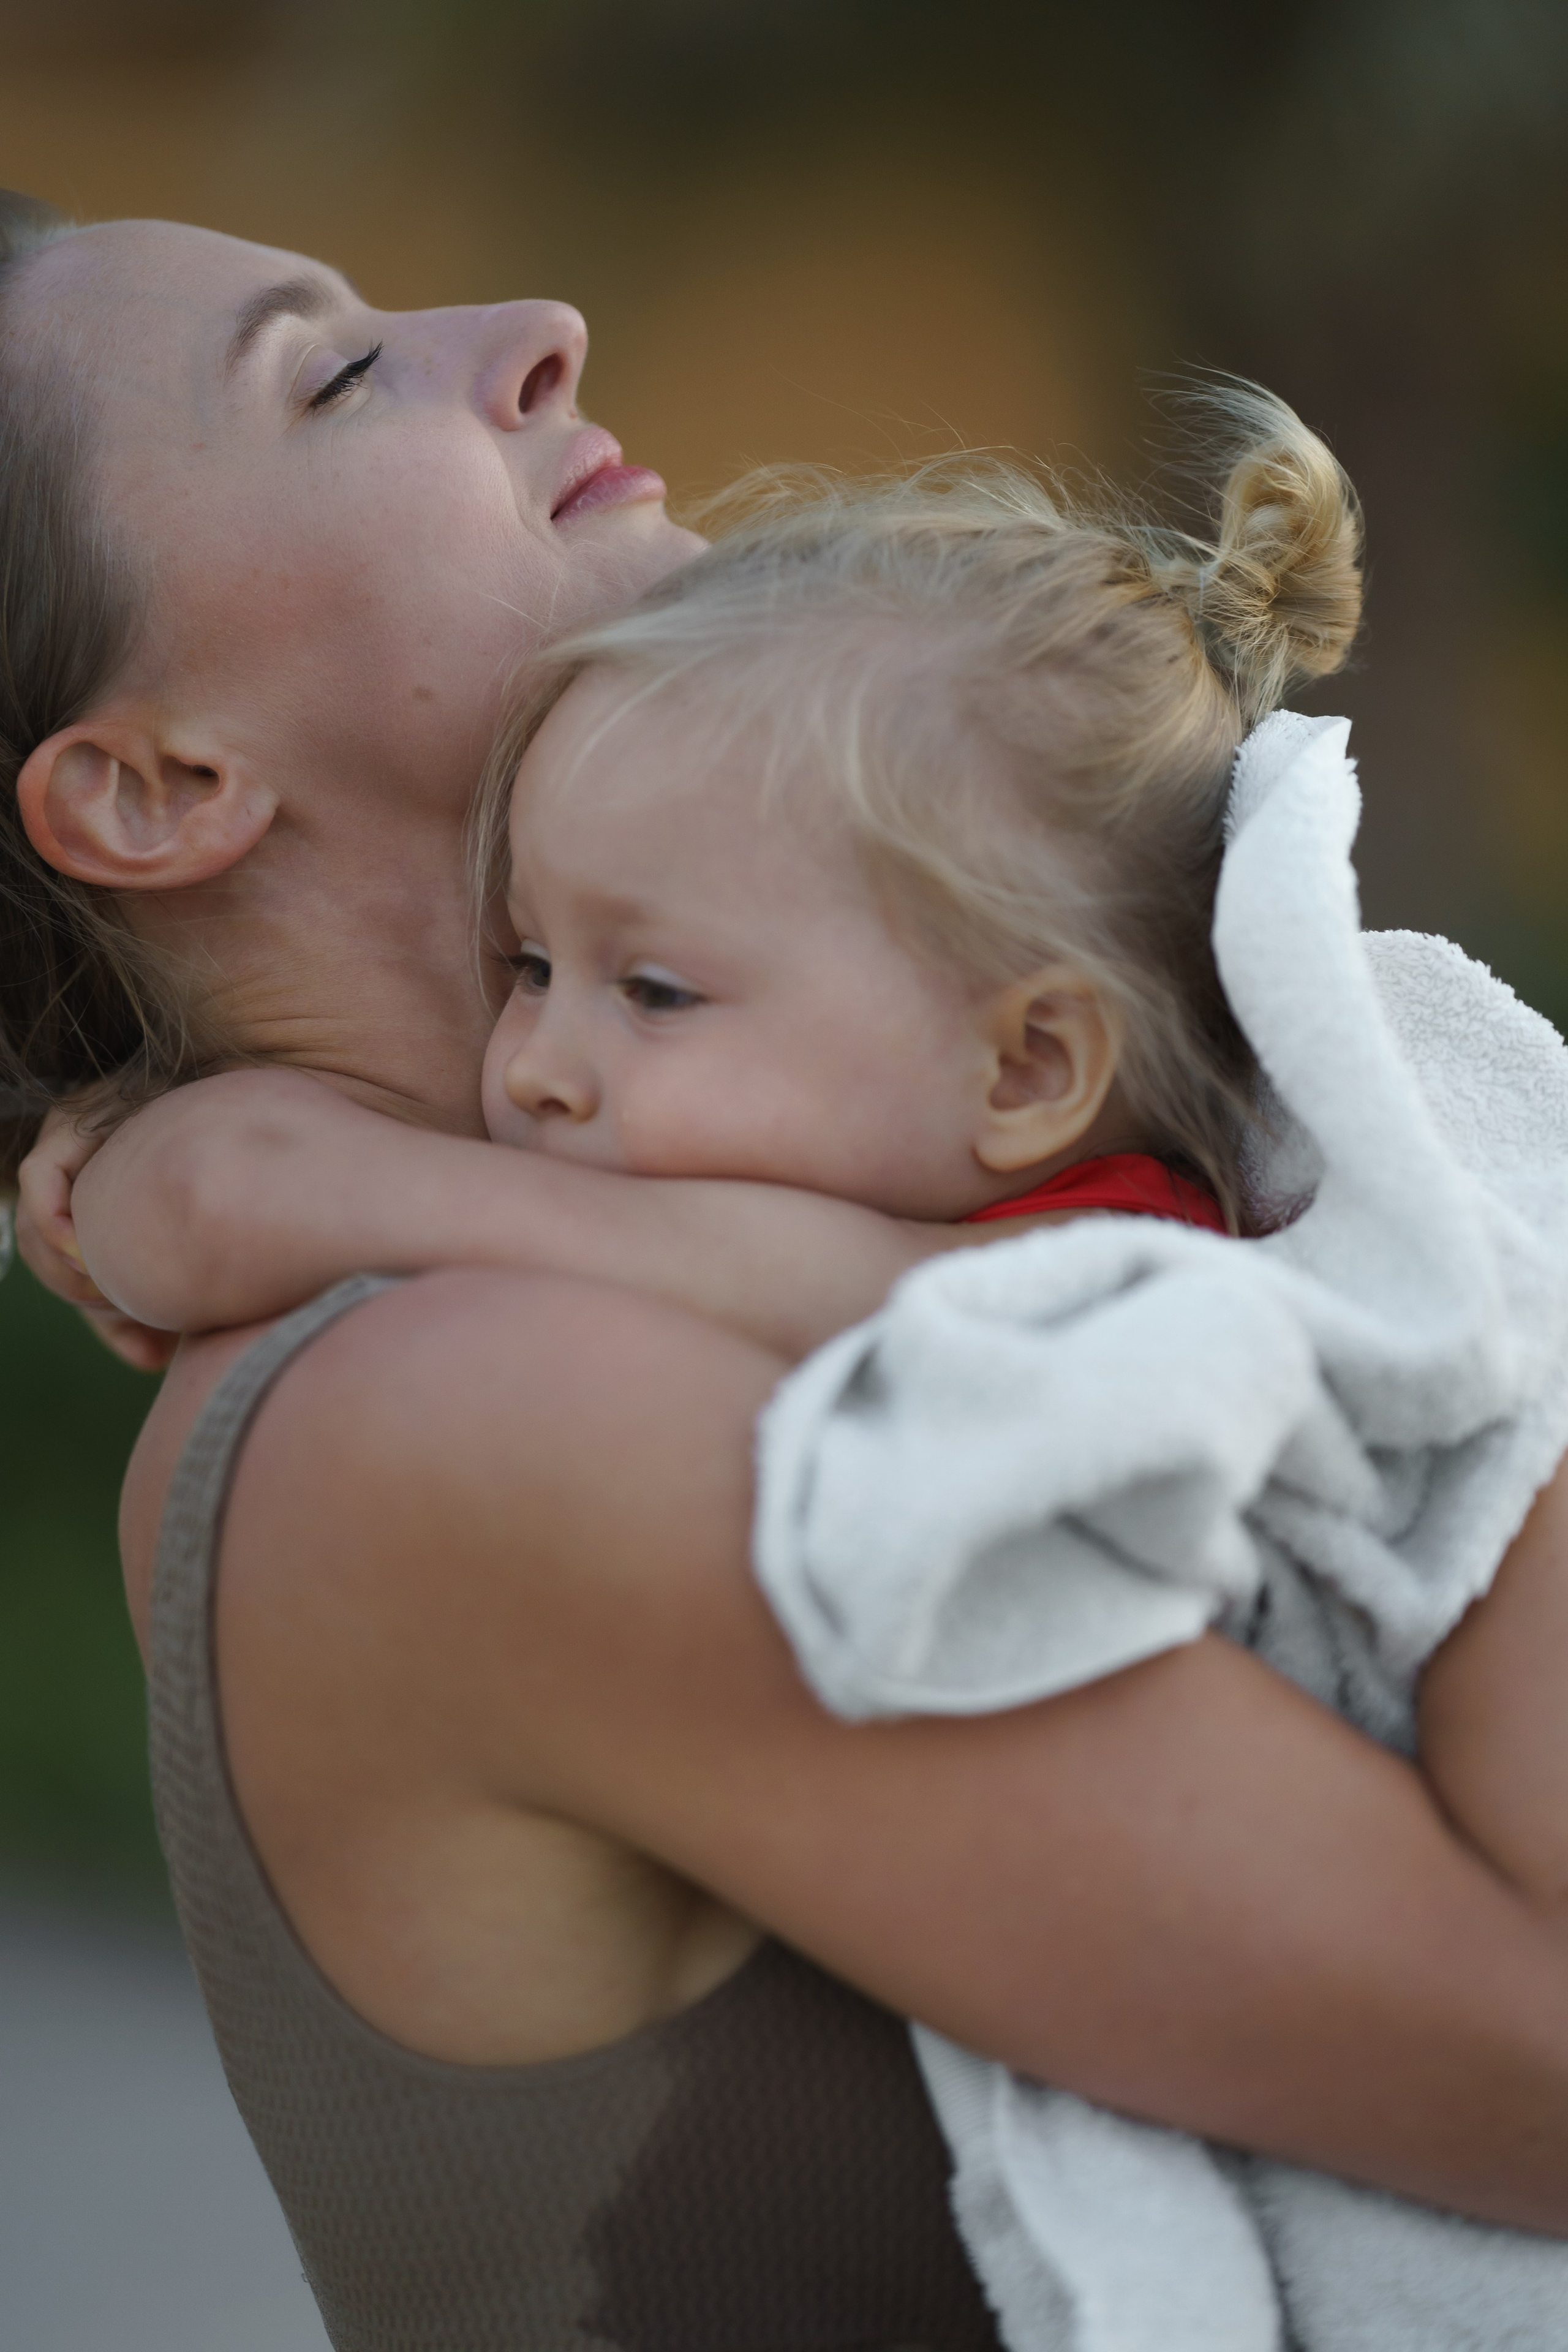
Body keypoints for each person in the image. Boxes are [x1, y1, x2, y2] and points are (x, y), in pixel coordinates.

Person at [7, 193, 1568, 2350]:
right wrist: (1456, 1287)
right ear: (160, 783)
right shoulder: (453, 1417)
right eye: (337, 373)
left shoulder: (736, 1219)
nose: (536, 328)